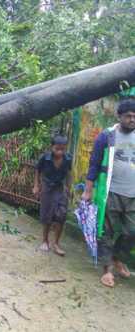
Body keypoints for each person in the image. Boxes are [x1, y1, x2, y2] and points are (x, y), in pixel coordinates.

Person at [82, 99, 135, 288]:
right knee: (107, 232)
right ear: (119, 116)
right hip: (110, 193)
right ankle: (107, 270)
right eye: (128, 116)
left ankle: (117, 258)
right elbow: (94, 163)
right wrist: (88, 190)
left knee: (132, 232)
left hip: (133, 195)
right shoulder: (107, 136)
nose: (132, 119)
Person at [33, 135, 72, 256]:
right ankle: (45, 240)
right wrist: (36, 186)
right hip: (47, 188)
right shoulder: (45, 158)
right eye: (57, 149)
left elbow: (69, 174)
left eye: (63, 149)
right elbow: (37, 170)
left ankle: (56, 243)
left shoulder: (67, 159)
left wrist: (69, 188)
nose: (60, 152)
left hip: (60, 188)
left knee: (62, 215)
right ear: (52, 147)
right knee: (47, 215)